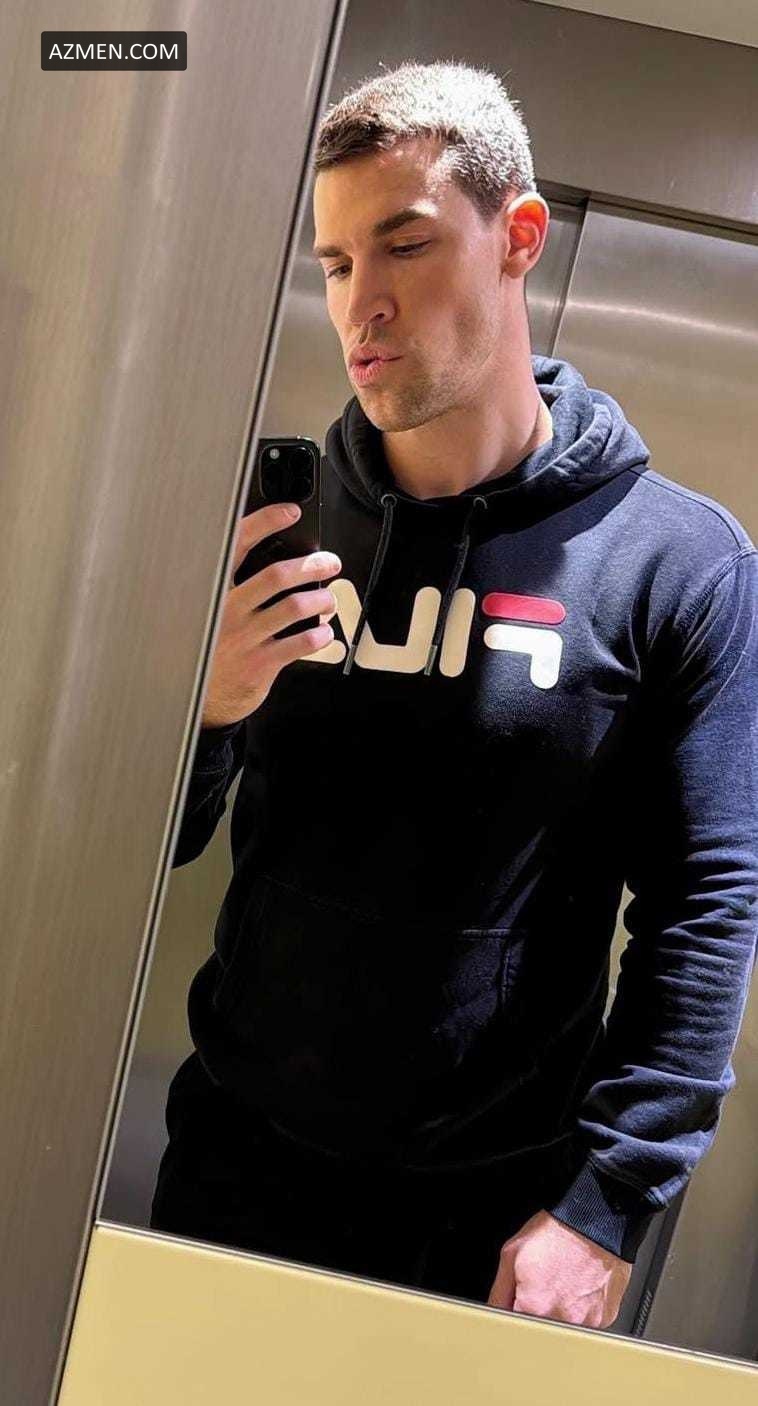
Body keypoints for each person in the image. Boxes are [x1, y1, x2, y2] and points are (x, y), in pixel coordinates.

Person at [150, 60, 758, 1330]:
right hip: (231, 1171)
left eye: (405, 244)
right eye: (332, 263)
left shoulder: (677, 563)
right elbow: (153, 846)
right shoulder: (265, 526)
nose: (359, 303)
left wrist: (605, 1204)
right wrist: (202, 710)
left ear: (518, 238)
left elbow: (704, 905)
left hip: (496, 1223)